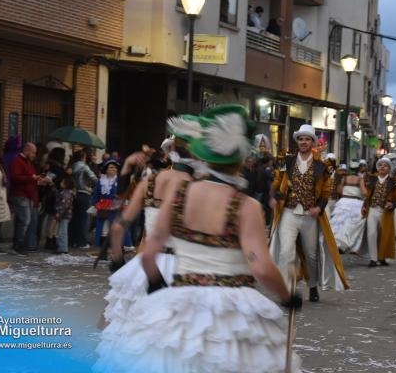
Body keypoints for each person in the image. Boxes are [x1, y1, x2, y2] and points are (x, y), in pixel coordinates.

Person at [95, 104, 302, 373]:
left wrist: (157, 287)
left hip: (179, 300)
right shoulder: (246, 206)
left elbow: (148, 254)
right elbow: (261, 267)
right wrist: (287, 297)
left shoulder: (179, 195)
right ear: (240, 159)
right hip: (231, 311)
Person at [101, 115, 201, 327]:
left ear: (171, 150)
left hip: (145, 267)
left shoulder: (151, 181)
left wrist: (118, 264)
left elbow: (118, 227)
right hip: (184, 271)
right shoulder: (199, 188)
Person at [269, 124, 348, 302]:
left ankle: (312, 286)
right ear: (297, 142)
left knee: (311, 255)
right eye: (301, 139)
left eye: (307, 139)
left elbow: (326, 192)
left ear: (312, 142)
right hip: (289, 212)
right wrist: (274, 196)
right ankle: (286, 290)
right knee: (285, 252)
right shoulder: (287, 161)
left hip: (309, 216)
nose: (303, 142)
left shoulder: (322, 166)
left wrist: (319, 207)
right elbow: (277, 183)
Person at [363, 157, 396, 267]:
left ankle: (382, 257)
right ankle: (373, 259)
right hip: (373, 209)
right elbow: (368, 195)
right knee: (371, 233)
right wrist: (365, 205)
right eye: (380, 165)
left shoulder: (394, 182)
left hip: (385, 211)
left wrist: (392, 204)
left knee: (384, 234)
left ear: (389, 169)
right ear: (377, 168)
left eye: (385, 165)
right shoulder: (372, 180)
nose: (382, 167)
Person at [92, 158, 132, 249]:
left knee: (118, 228)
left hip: (116, 208)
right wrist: (95, 204)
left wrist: (119, 204)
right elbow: (97, 195)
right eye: (111, 167)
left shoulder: (119, 181)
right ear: (106, 170)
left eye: (115, 167)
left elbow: (123, 193)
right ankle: (103, 251)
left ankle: (121, 248)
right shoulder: (100, 181)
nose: (114, 169)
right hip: (103, 208)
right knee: (103, 230)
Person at [9, 142, 41, 255]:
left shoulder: (28, 163)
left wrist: (37, 180)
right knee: (25, 220)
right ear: (26, 150)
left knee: (22, 221)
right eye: (33, 152)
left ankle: (17, 244)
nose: (34, 155)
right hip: (20, 195)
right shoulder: (17, 161)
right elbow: (15, 177)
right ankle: (18, 245)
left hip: (28, 195)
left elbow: (30, 178)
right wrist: (31, 178)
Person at [329, 163, 367, 254]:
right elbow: (364, 192)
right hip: (356, 204)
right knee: (352, 226)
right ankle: (350, 245)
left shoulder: (344, 179)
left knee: (339, 225)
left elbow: (339, 191)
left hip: (343, 202)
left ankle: (337, 244)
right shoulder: (360, 179)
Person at [70, 149, 98, 249]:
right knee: (83, 219)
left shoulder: (72, 166)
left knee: (74, 219)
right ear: (83, 157)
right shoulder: (84, 166)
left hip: (73, 194)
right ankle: (81, 242)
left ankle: (72, 241)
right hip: (84, 193)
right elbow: (94, 178)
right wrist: (92, 186)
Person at [54, 176, 75, 254]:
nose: (61, 183)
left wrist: (58, 214)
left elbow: (63, 206)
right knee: (62, 232)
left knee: (62, 232)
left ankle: (63, 249)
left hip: (64, 215)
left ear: (66, 184)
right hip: (65, 215)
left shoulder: (66, 194)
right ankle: (62, 247)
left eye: (62, 182)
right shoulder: (66, 192)